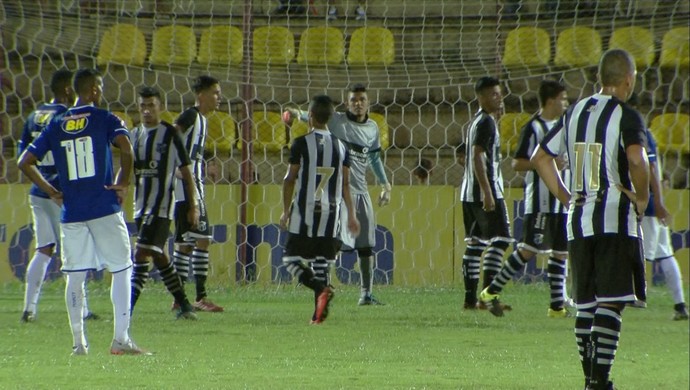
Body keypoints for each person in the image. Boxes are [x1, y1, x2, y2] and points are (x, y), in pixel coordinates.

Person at [532, 49, 650, 390]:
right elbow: (637, 159)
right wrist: (642, 197)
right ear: (628, 79)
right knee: (611, 303)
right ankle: (600, 382)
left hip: (578, 222)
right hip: (614, 220)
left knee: (586, 306)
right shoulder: (626, 116)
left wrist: (568, 198)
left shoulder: (575, 112)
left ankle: (589, 380)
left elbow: (541, 158)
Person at [18, 68, 147, 356]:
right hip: (104, 206)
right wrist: (122, 183)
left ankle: (79, 344)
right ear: (95, 90)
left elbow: (25, 161)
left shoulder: (56, 123)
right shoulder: (105, 118)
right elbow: (126, 150)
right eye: (100, 87)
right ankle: (120, 339)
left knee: (74, 276)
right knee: (122, 269)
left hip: (72, 212)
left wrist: (52, 191)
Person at [287, 84, 391, 306]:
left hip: (361, 193)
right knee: (331, 244)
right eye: (353, 100)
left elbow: (374, 158)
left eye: (362, 99)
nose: (358, 103)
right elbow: (311, 116)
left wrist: (385, 185)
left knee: (366, 245)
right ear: (347, 103)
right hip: (338, 193)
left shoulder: (373, 128)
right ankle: (323, 289)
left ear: (368, 102)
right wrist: (295, 113)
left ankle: (365, 294)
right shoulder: (336, 120)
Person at [478, 80, 573, 318]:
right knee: (528, 250)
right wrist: (547, 163)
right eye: (563, 98)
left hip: (562, 202)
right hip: (540, 201)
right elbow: (517, 163)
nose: (566, 103)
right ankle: (491, 291)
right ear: (551, 101)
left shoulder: (568, 126)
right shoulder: (534, 127)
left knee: (561, 252)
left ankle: (556, 307)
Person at [18, 69, 98, 323]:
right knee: (74, 251)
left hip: (38, 191)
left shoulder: (33, 116)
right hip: (62, 193)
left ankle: (29, 309)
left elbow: (23, 156)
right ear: (67, 90)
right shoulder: (65, 117)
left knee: (43, 249)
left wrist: (44, 187)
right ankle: (82, 310)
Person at [280, 95, 360, 324]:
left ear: (310, 117)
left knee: (291, 259)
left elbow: (290, 179)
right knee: (321, 263)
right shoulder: (342, 147)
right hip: (332, 214)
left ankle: (320, 288)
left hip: (305, 212)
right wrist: (352, 215)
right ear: (331, 118)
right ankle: (318, 316)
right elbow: (346, 184)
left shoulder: (301, 143)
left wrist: (286, 210)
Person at [129, 86, 200, 320]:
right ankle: (184, 305)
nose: (147, 110)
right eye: (143, 106)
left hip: (161, 207)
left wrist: (193, 205)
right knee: (159, 257)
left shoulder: (170, 134)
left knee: (140, 253)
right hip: (139, 207)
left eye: (151, 105)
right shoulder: (134, 135)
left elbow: (187, 173)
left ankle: (126, 310)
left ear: (160, 107)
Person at [625, 94, 689, 321]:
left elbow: (651, 166)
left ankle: (635, 296)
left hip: (648, 203)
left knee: (641, 253)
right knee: (666, 253)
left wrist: (659, 203)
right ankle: (680, 305)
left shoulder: (639, 134)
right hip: (652, 201)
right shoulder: (646, 134)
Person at [459, 76, 513, 315]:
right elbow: (477, 156)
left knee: (475, 245)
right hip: (485, 192)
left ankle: (471, 300)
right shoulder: (486, 123)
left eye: (500, 93)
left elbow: (468, 156)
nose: (499, 97)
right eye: (494, 94)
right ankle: (488, 297)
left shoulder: (477, 121)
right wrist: (487, 192)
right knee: (500, 241)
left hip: (468, 193)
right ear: (480, 97)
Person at [171, 75, 224, 313]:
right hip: (186, 188)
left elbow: (191, 151)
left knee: (185, 243)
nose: (219, 97)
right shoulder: (191, 115)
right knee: (202, 239)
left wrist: (206, 167)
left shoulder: (201, 120)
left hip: (192, 185)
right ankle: (200, 297)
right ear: (201, 95)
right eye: (215, 93)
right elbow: (171, 134)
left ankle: (179, 298)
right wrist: (175, 168)